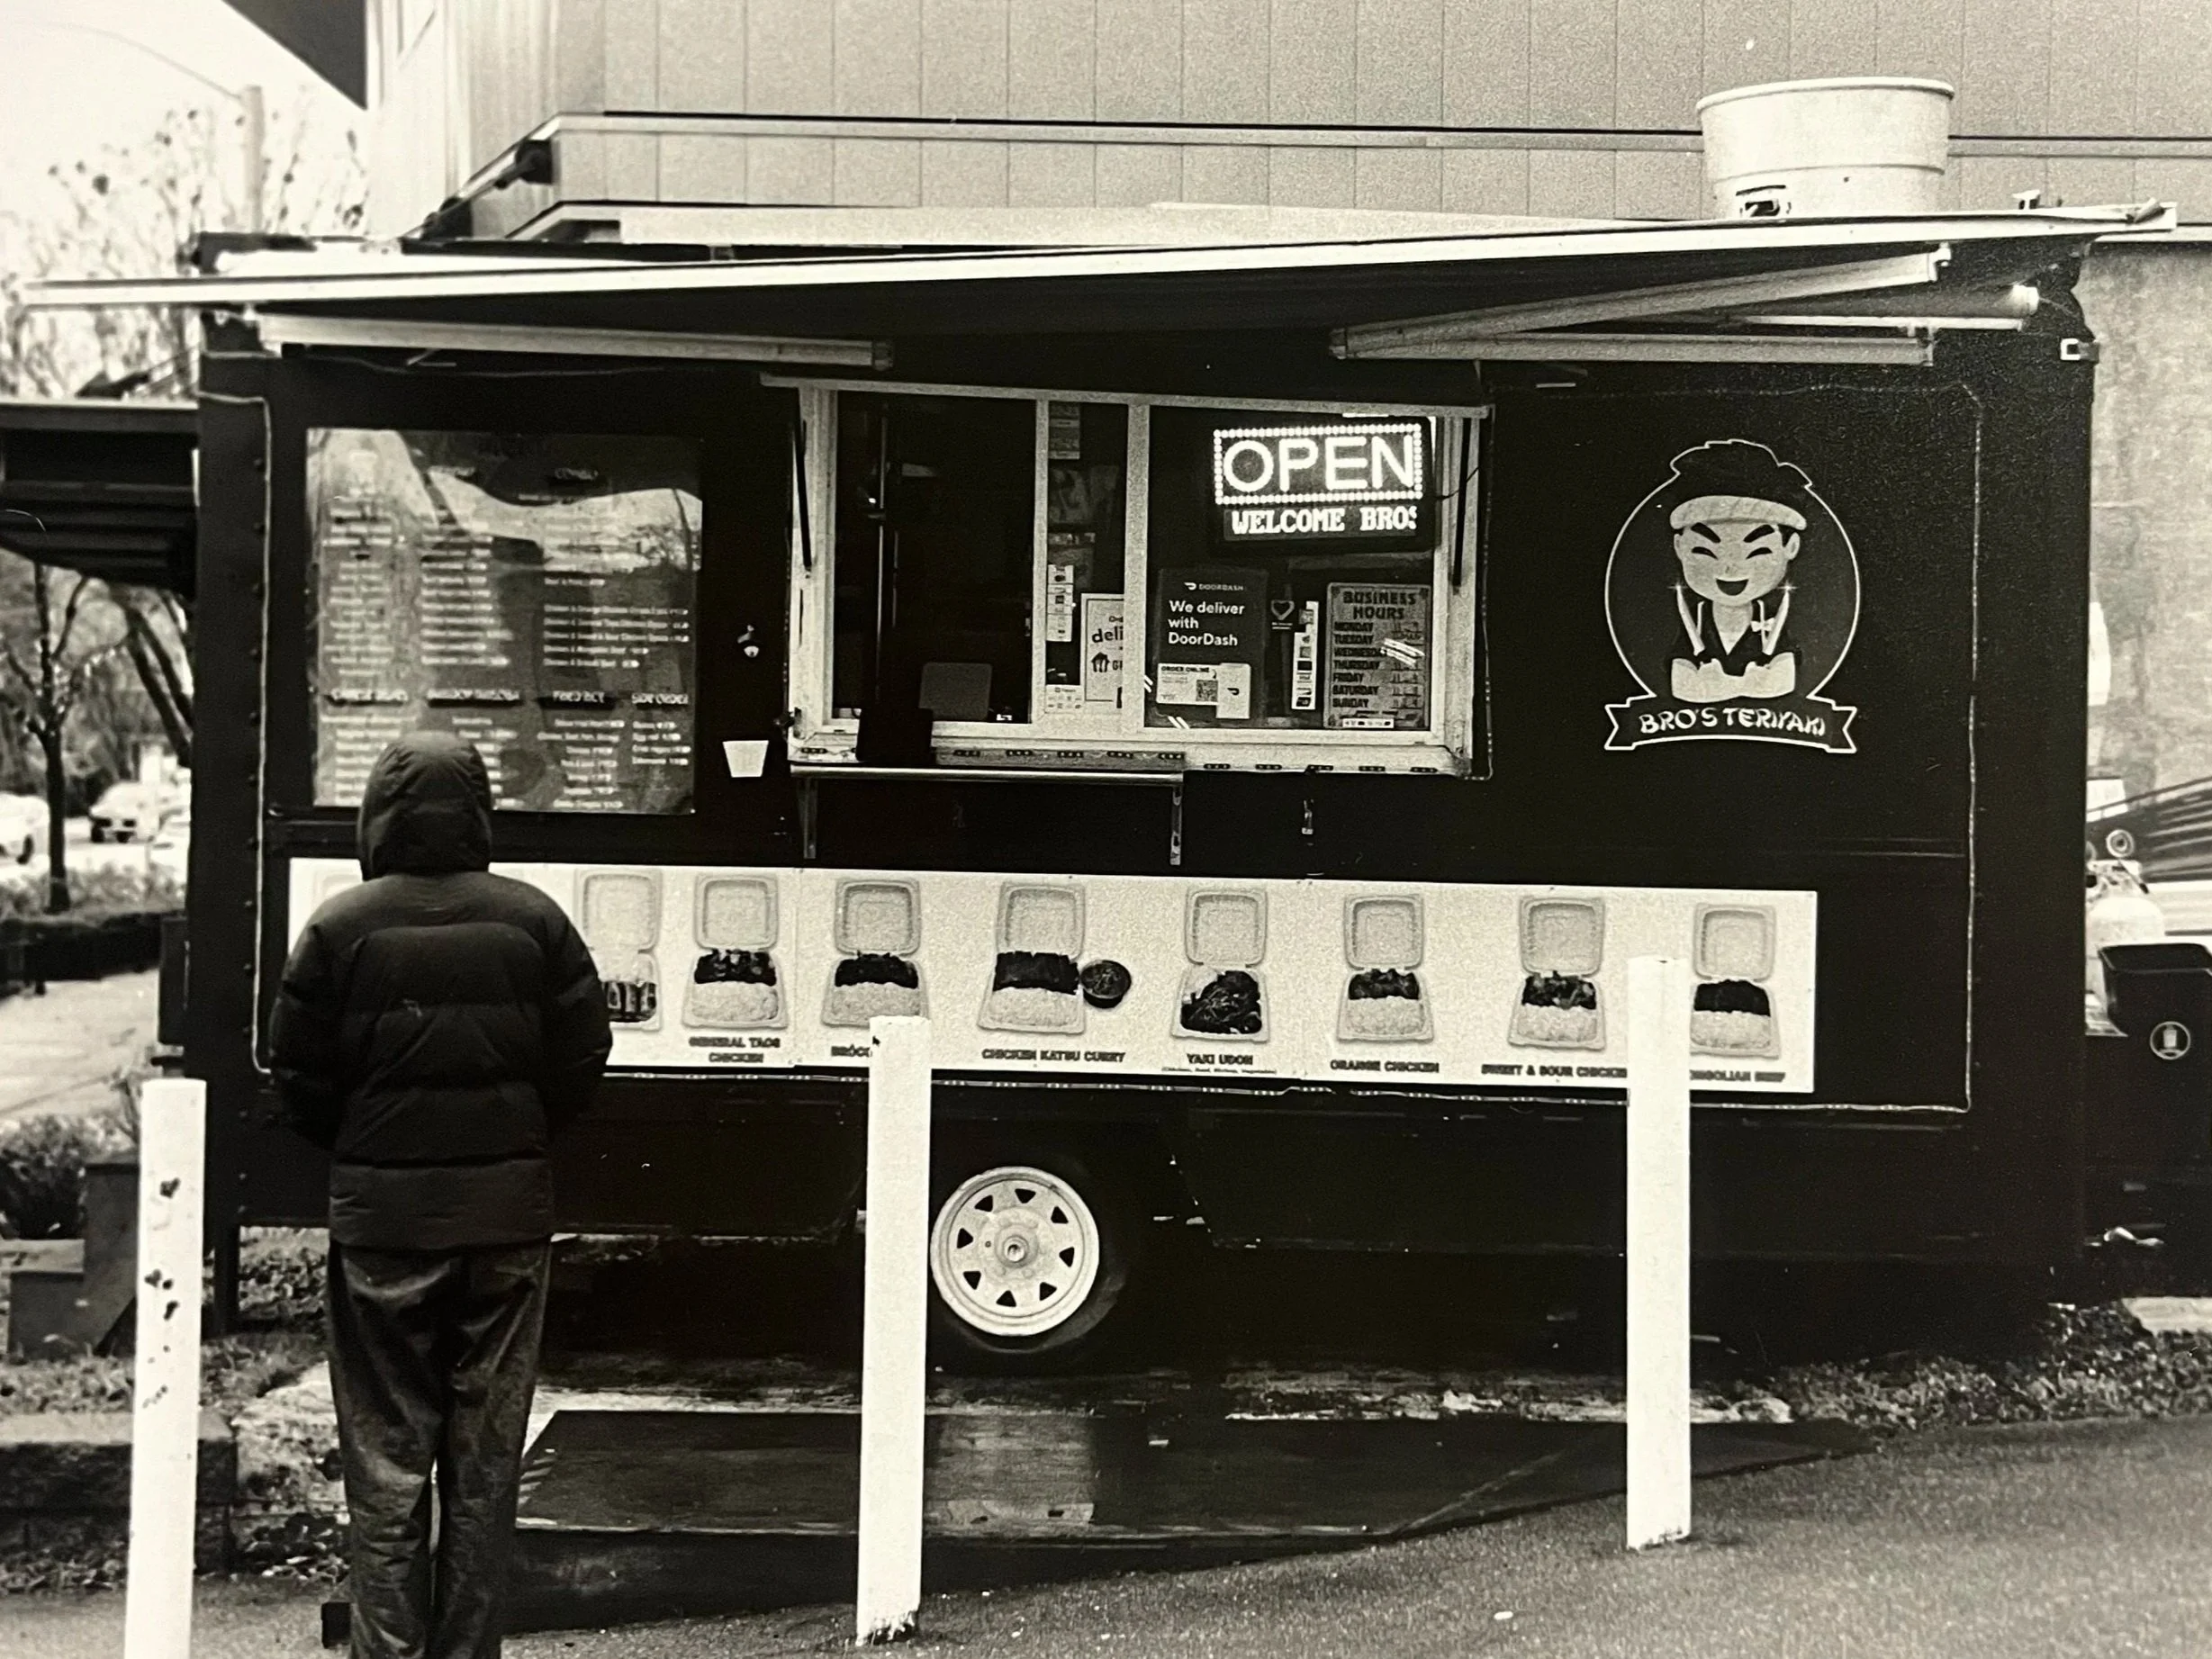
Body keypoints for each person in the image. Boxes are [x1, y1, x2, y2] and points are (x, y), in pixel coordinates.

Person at [270, 732, 611, 1659]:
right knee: (484, 1464)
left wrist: (365, 1149)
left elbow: (298, 1081)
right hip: (506, 1226)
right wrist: (517, 1138)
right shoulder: (534, 921)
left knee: (384, 1468)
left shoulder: (340, 930)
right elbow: (582, 1058)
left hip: (382, 1231)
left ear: (378, 814)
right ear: (477, 813)